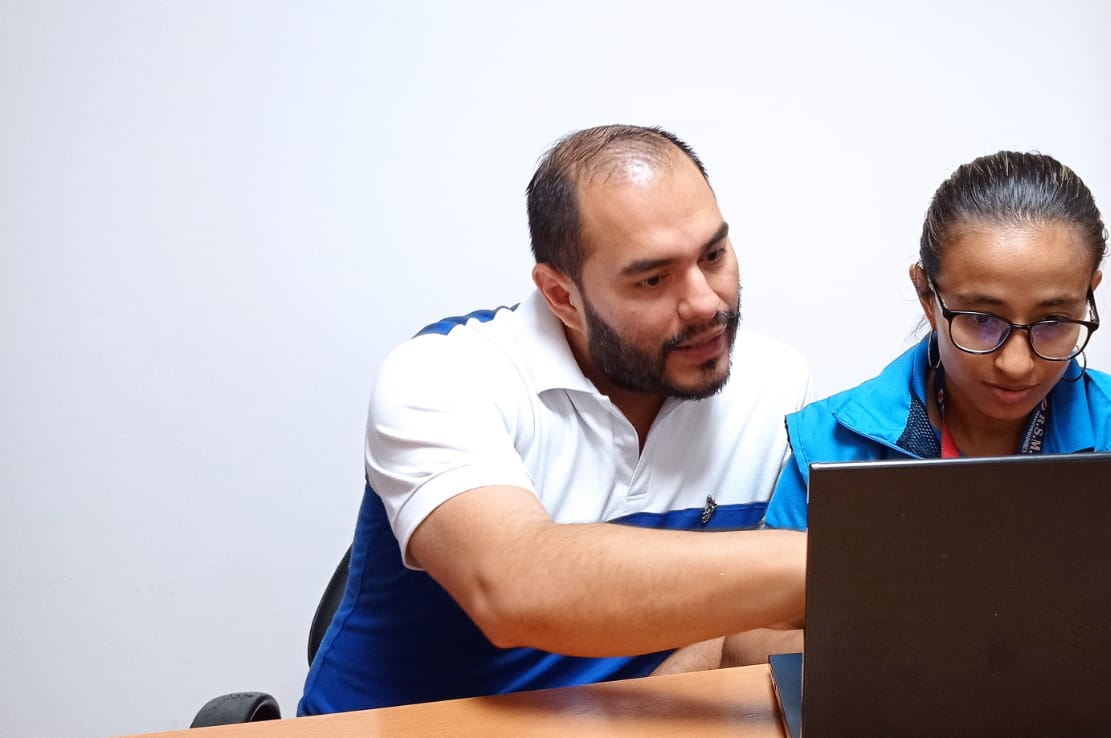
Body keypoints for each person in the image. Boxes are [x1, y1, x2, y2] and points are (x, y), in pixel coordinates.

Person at [300, 125, 810, 715]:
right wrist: (837, 561)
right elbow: (515, 587)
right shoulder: (442, 374)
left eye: (713, 255)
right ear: (561, 296)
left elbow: (736, 632)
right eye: (652, 279)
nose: (705, 303)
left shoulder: (774, 385)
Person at [764, 151, 1111, 532]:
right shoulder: (831, 448)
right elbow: (770, 605)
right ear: (927, 296)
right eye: (982, 319)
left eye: (1053, 321)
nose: (1016, 364)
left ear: (1089, 294)